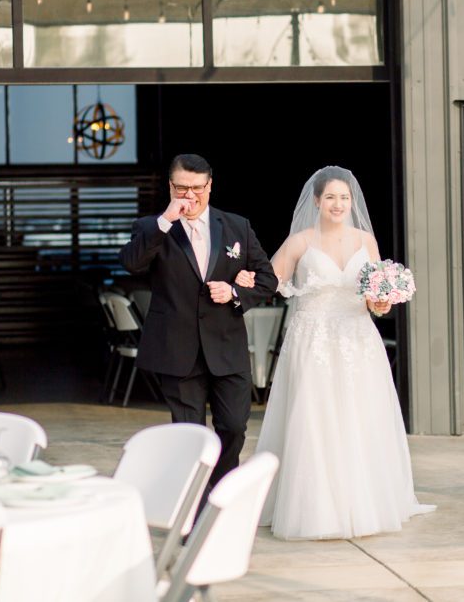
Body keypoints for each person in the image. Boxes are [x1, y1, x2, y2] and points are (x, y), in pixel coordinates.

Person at [236, 165, 434, 540]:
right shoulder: (300, 241)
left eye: (344, 197)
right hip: (313, 340)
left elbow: (375, 299)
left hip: (359, 340)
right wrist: (245, 278)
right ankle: (314, 509)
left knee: (359, 418)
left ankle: (363, 504)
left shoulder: (365, 240)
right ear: (317, 201)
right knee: (314, 419)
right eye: (330, 197)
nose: (338, 204)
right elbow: (269, 280)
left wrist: (381, 303)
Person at [119, 153, 278, 490]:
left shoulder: (236, 226)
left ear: (210, 186)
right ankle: (192, 504)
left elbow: (268, 279)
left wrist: (234, 292)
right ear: (170, 187)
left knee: (233, 427)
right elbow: (132, 263)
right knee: (190, 435)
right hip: (177, 349)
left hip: (226, 347)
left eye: (197, 188)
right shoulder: (151, 227)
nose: (189, 196)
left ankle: (218, 495)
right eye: (181, 188)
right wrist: (166, 220)